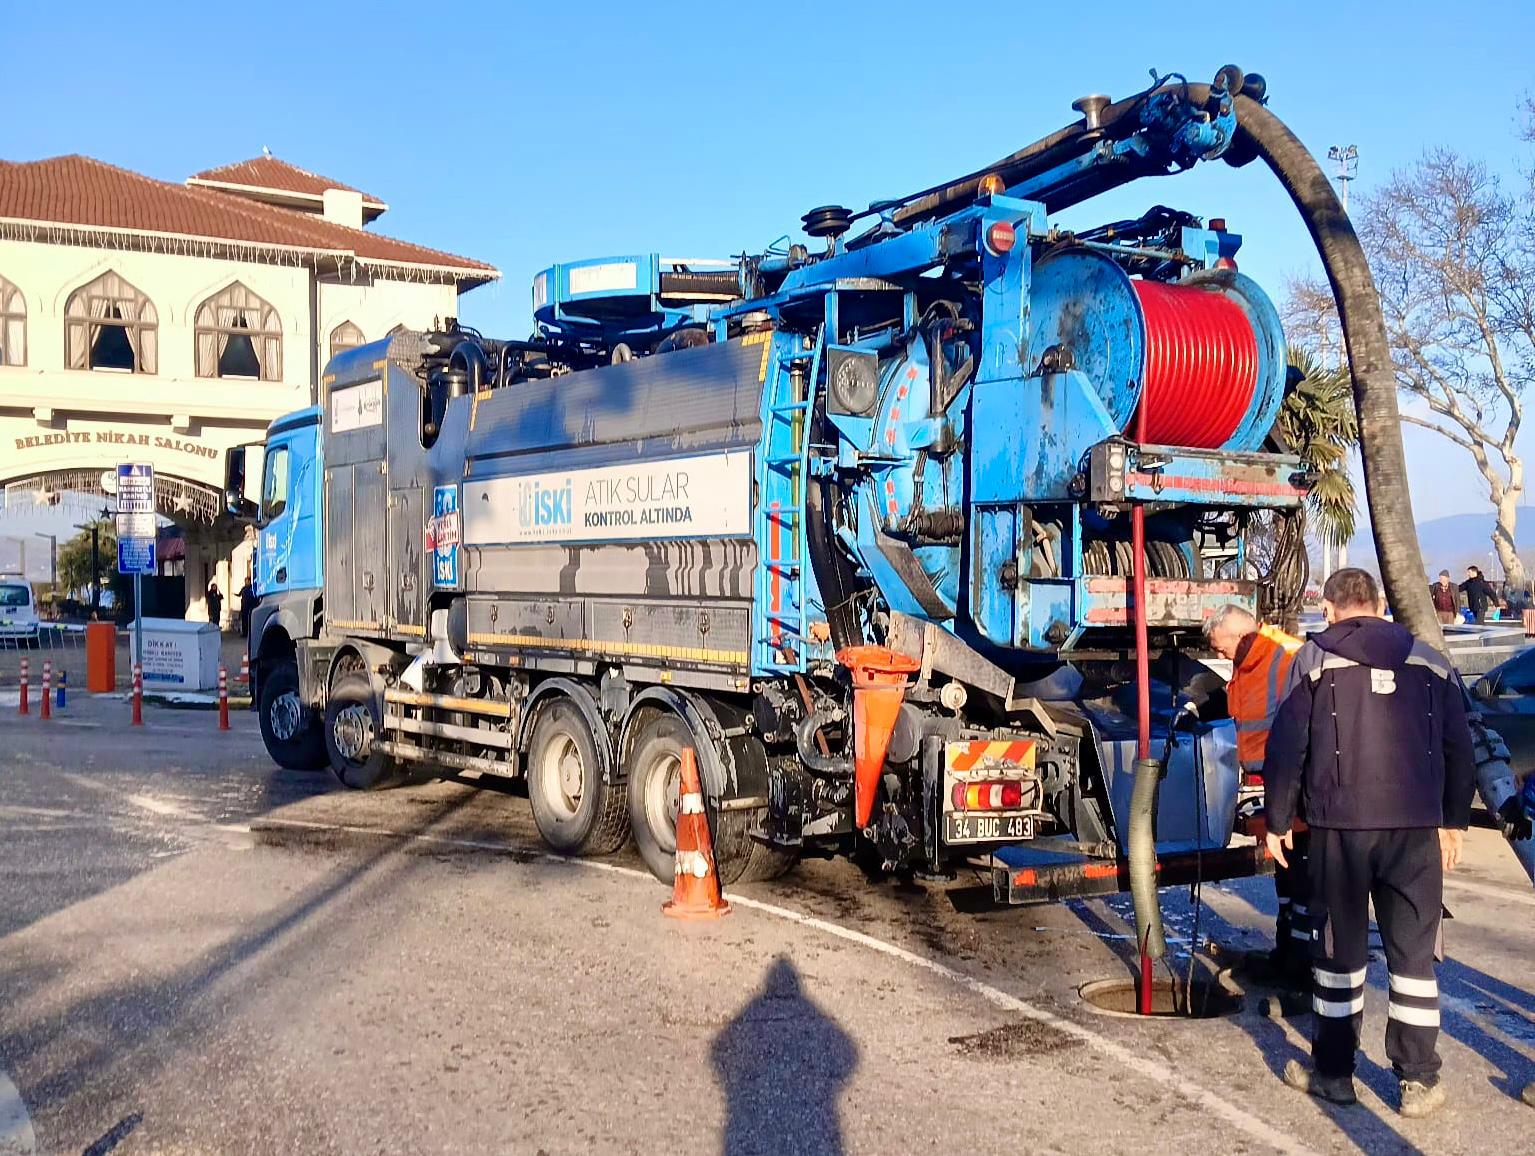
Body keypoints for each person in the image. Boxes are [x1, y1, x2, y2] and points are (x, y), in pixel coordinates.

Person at [1263, 568, 1474, 1118]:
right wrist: (1453, 821)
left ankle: (1334, 1074)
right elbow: (1459, 746)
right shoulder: (1430, 659)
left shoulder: (1314, 660)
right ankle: (1419, 1082)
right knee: (1412, 959)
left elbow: (1288, 748)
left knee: (1339, 957)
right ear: (1379, 605)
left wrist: (1278, 820)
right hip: (1414, 833)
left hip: (1341, 830)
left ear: (1330, 609)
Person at [1204, 604, 1308, 986]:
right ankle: (1286, 954)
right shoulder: (1247, 660)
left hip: (1294, 783)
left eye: (1219, 648)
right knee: (1285, 873)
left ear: (1237, 635)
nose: (1219, 656)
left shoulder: (1288, 656)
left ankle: (1300, 969)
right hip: (1269, 780)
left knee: (1302, 876)